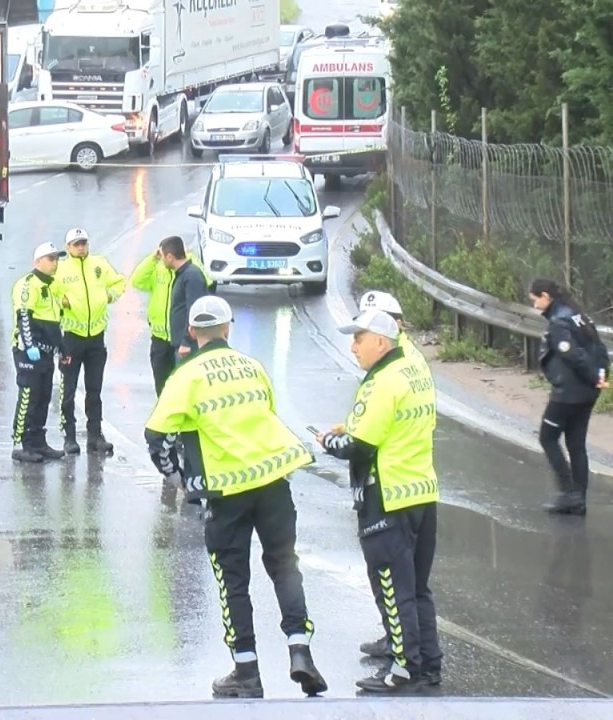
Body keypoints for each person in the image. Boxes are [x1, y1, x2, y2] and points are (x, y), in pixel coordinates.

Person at [145, 295, 327, 700]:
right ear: (228, 329)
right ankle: (301, 650)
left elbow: (156, 434)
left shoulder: (186, 376)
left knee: (234, 581)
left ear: (192, 332)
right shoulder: (252, 367)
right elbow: (268, 414)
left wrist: (176, 477)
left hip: (226, 491)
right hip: (274, 482)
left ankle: (246, 670)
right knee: (284, 567)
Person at [315, 309, 442, 692]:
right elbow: (392, 425)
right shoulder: (415, 371)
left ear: (381, 342)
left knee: (392, 588)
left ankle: (402, 669)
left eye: (359, 338)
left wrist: (328, 441)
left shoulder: (381, 383)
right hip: (421, 491)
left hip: (386, 497)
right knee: (418, 587)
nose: (353, 346)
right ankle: (428, 663)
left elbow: (359, 445)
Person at [528, 278, 610, 515]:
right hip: (587, 392)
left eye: (535, 300)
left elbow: (574, 355)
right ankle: (579, 499)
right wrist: (601, 376)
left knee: (547, 437)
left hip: (568, 393)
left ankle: (567, 493)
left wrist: (595, 375)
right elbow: (598, 348)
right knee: (576, 444)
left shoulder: (559, 322)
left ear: (545, 296)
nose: (535, 306)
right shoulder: (578, 315)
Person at [55, 227, 126, 454]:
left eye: (83, 243)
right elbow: (49, 292)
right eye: (76, 244)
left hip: (96, 337)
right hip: (72, 338)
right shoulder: (61, 268)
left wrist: (109, 296)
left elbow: (118, 282)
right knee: (68, 390)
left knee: (94, 390)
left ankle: (95, 436)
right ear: (68, 247)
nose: (81, 247)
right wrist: (61, 301)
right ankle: (69, 436)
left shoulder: (99, 264)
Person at [132, 244, 217, 395]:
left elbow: (208, 283)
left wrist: (188, 256)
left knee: (183, 387)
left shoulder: (189, 269)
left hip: (180, 339)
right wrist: (152, 258)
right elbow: (136, 280)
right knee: (162, 386)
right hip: (160, 338)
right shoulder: (157, 269)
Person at [11, 242, 67, 463]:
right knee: (29, 396)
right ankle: (24, 443)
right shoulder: (28, 284)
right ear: (38, 262)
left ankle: (38, 441)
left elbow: (54, 323)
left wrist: (61, 348)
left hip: (46, 353)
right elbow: (24, 316)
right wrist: (30, 344)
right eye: (50, 259)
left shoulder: (51, 286)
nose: (55, 263)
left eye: (56, 259)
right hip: (28, 352)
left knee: (44, 396)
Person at [160, 236, 211, 365]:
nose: (161, 260)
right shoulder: (183, 274)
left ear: (170, 257)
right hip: (183, 345)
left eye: (162, 256)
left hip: (189, 347)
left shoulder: (191, 276)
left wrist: (186, 342)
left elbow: (194, 310)